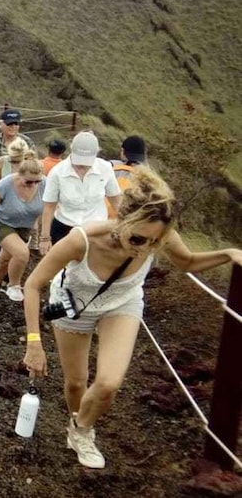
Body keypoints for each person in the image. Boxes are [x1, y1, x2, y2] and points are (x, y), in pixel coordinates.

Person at [21, 167, 242, 468]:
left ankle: (81, 431)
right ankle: (77, 419)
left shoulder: (158, 236)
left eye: (155, 243)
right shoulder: (82, 240)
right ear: (122, 222)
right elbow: (33, 284)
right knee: (76, 382)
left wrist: (229, 253)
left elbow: (187, 262)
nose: (145, 250)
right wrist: (34, 343)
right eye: (138, 240)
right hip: (74, 306)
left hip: (122, 304)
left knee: (108, 383)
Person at [0, 151, 46, 302]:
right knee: (22, 254)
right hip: (1, 222)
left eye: (37, 182)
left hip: (24, 227)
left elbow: (52, 206)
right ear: (18, 174)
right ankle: (14, 285)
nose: (33, 185)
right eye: (28, 182)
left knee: (5, 259)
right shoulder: (6, 184)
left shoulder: (44, 184)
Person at [39, 131, 122, 255]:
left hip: (96, 230)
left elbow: (115, 199)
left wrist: (127, 225)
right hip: (64, 228)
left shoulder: (105, 168)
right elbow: (49, 206)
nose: (82, 165)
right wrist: (45, 238)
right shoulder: (57, 172)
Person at [106, 135, 147, 218]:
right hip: (129, 221)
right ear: (143, 155)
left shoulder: (109, 166)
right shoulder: (147, 176)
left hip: (103, 218)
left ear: (123, 151)